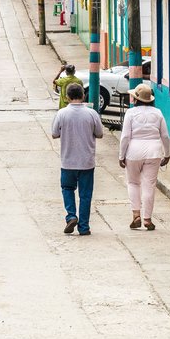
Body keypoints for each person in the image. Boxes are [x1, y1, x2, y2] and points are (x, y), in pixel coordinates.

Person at [50, 83, 103, 236]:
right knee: (85, 195)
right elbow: (99, 134)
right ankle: (84, 227)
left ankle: (71, 216)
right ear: (83, 96)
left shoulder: (62, 114)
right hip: (87, 162)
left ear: (67, 97)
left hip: (68, 161)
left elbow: (54, 133)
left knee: (67, 189)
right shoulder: (92, 114)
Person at [118, 83, 170, 231]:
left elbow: (125, 136)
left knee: (133, 183)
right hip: (154, 152)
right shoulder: (158, 113)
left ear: (136, 99)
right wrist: (167, 154)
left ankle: (136, 215)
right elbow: (165, 136)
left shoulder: (130, 113)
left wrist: (121, 156)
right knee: (149, 185)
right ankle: (147, 219)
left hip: (133, 152)